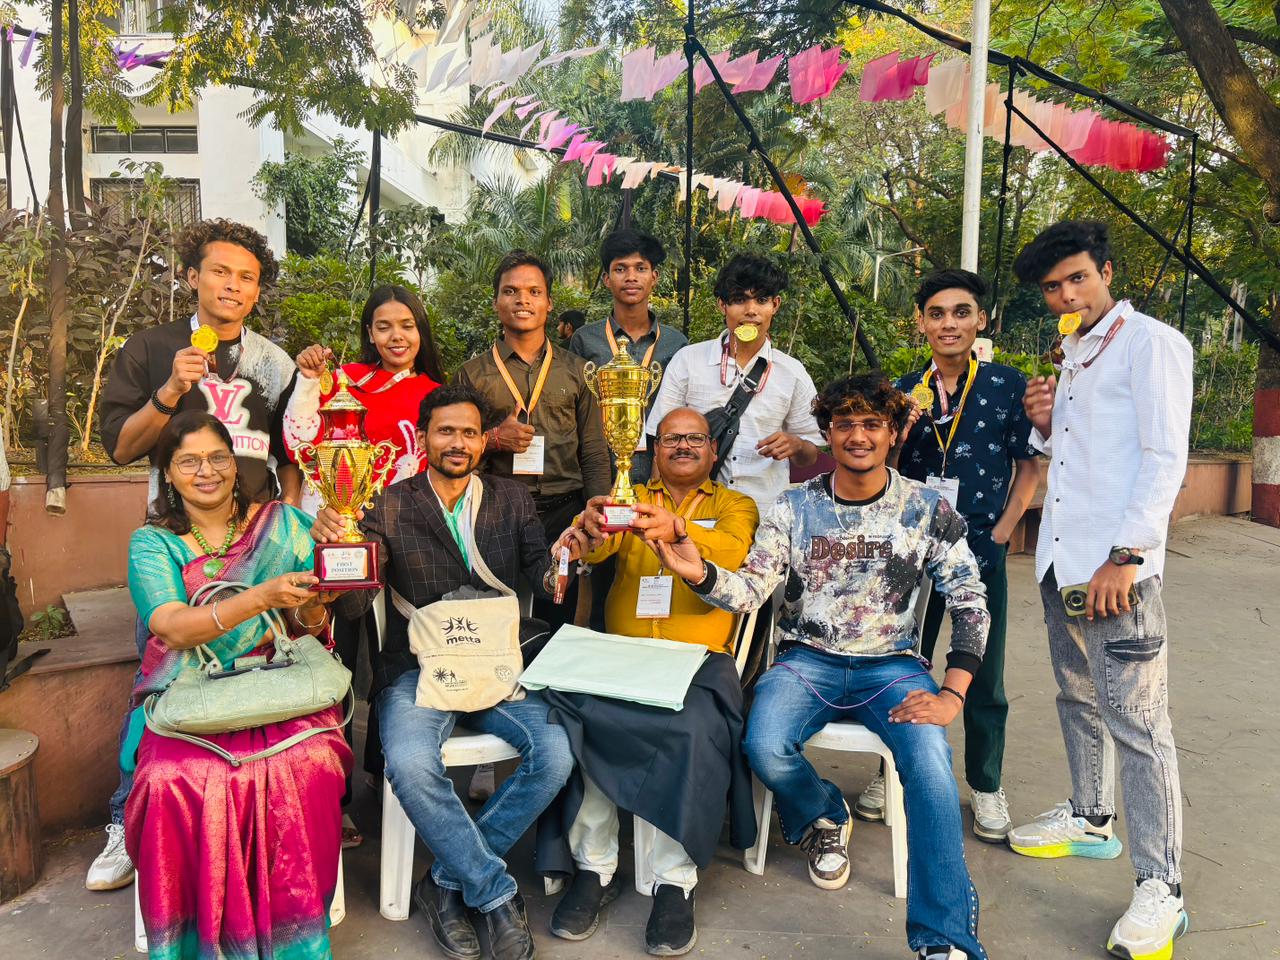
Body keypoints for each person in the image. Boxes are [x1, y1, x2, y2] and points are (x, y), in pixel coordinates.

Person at [652, 373, 990, 960]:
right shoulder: (793, 506)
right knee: (764, 745)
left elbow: (970, 600)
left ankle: (944, 937)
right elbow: (752, 589)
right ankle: (823, 813)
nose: (858, 436)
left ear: (892, 433)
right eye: (845, 424)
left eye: (871, 424)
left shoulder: (925, 508)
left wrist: (952, 694)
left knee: (932, 768)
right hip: (806, 660)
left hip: (892, 667)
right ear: (828, 434)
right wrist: (697, 571)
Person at [313, 382, 576, 960]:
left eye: (469, 433)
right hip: (416, 666)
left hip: (497, 664)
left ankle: (445, 881)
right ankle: (494, 892)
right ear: (424, 438)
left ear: (484, 441)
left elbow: (543, 576)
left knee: (556, 754)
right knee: (410, 763)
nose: (458, 442)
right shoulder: (387, 503)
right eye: (445, 431)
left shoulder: (511, 499)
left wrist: (567, 556)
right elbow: (356, 606)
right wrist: (338, 554)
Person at [91, 218, 297, 892]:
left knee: (264, 671)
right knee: (160, 675)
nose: (233, 286)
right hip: (178, 544)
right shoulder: (152, 348)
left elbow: (291, 456)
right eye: (220, 272)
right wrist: (169, 393)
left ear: (257, 291)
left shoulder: (275, 363)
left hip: (256, 545)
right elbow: (120, 447)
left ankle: (266, 806)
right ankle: (127, 818)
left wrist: (288, 527)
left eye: (247, 278)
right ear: (192, 277)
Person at [1007, 220, 1193, 960]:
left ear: (1107, 272)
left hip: (1117, 569)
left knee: (1139, 724)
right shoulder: (1076, 353)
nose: (1066, 295)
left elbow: (1163, 456)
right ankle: (1090, 816)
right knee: (1077, 693)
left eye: (1078, 278)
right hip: (1064, 558)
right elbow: (1075, 454)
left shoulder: (1151, 344)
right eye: (1053, 287)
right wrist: (1045, 423)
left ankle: (1162, 886)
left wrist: (1127, 555)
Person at [123, 412, 349, 960]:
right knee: (169, 779)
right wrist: (259, 597)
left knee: (312, 762)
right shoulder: (153, 543)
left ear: (236, 462)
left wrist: (320, 597)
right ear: (167, 473)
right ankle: (195, 941)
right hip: (187, 693)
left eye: (217, 457)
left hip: (280, 685)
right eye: (189, 462)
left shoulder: (284, 523)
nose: (206, 471)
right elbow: (172, 627)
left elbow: (309, 624)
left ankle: (294, 939)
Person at [544, 407, 759, 955]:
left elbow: (733, 551)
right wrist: (587, 532)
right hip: (623, 655)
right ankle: (594, 868)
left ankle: (673, 882)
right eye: (670, 439)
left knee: (691, 729)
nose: (682, 446)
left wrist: (679, 529)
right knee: (578, 717)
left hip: (698, 661)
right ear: (653, 449)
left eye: (695, 438)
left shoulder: (735, 505)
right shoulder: (630, 496)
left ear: (713, 449)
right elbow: (603, 546)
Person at [859, 269, 1040, 842]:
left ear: (980, 320)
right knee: (899, 662)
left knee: (983, 670)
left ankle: (985, 783)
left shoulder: (1007, 385)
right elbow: (882, 468)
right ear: (921, 323)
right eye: (936, 314)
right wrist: (897, 436)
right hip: (911, 551)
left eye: (961, 312)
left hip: (980, 546)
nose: (949, 324)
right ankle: (890, 773)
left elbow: (1028, 467)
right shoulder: (901, 390)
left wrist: (1004, 532)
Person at [281, 283, 444, 846]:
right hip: (340, 543)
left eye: (407, 325)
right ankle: (335, 795)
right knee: (337, 663)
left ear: (421, 331)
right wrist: (308, 381)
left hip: (405, 547)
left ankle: (386, 773)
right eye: (384, 326)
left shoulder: (435, 394)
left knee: (396, 661)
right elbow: (299, 444)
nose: (397, 336)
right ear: (369, 333)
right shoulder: (343, 381)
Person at [454, 250, 610, 631]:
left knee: (557, 617)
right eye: (510, 291)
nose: (522, 300)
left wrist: (598, 511)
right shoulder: (472, 375)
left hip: (563, 514)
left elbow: (593, 449)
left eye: (533, 292)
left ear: (549, 302)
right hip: (494, 513)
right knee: (497, 618)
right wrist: (493, 439)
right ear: (496, 302)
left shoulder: (578, 372)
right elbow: (453, 448)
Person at [646, 252, 823, 520]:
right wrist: (658, 511)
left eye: (761, 300)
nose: (751, 310)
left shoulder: (792, 373)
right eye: (739, 300)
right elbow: (662, 442)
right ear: (722, 305)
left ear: (775, 305)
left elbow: (811, 453)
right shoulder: (688, 361)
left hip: (765, 517)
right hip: (693, 517)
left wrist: (796, 445)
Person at [568, 228, 689, 485]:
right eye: (620, 269)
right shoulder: (585, 340)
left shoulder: (676, 344)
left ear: (654, 277)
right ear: (606, 279)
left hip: (661, 474)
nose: (631, 277)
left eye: (640, 268)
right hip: (599, 472)